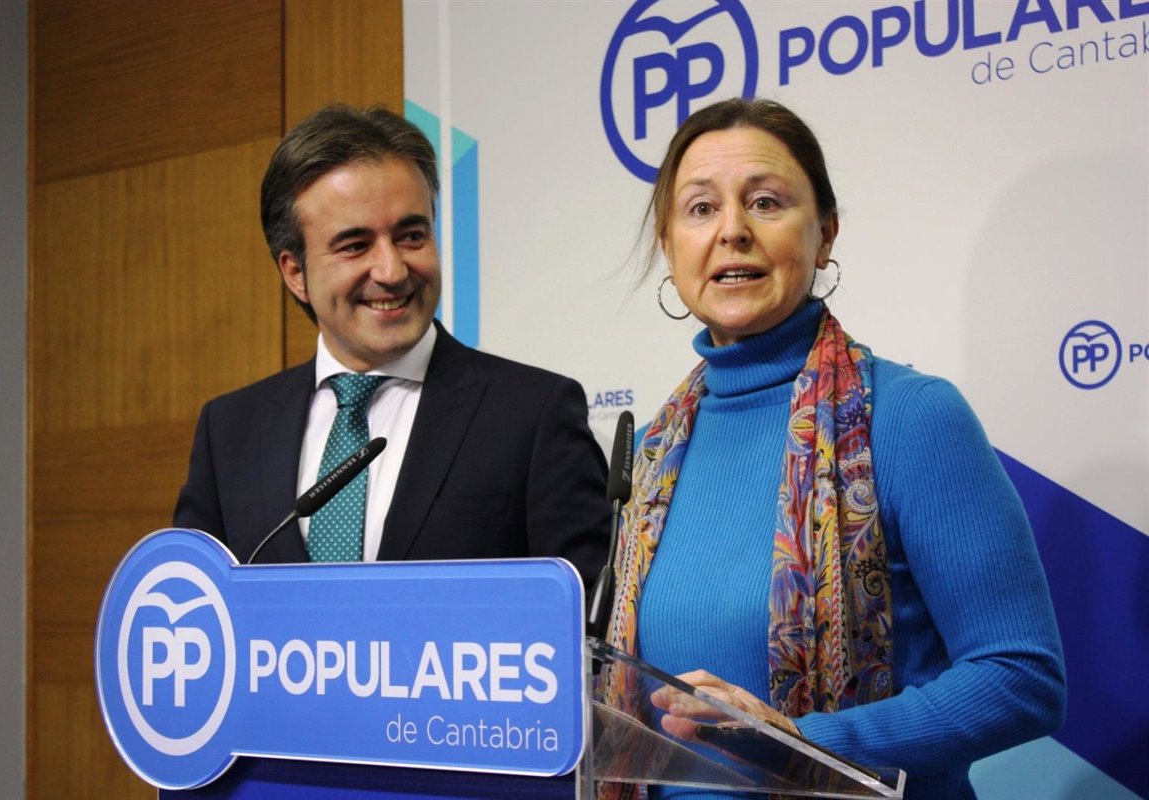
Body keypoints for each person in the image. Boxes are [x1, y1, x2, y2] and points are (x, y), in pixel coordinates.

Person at [601, 98, 1065, 799]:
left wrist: (802, 746)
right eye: (700, 208)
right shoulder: (651, 453)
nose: (732, 230)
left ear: (825, 235)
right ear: (670, 246)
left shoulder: (910, 418)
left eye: (765, 202)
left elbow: (1021, 678)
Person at [174, 104, 609, 583]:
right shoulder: (229, 432)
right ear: (295, 272)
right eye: (355, 245)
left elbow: (585, 611)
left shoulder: (533, 413)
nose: (392, 270)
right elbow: (196, 606)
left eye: (411, 236)